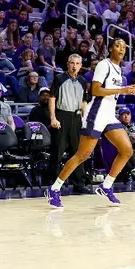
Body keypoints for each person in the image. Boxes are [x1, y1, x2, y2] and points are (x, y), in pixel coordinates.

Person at [47, 40, 135, 208]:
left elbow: (112, 94)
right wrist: (124, 89)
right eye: (117, 46)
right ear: (110, 49)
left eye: (123, 47)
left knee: (127, 150)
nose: (121, 49)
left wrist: (131, 89)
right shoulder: (103, 65)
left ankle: (106, 186)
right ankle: (54, 189)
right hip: (96, 114)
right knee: (82, 155)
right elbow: (96, 90)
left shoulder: (119, 69)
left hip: (109, 115)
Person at [48, 54, 88, 185]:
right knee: (58, 151)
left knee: (77, 152)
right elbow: (52, 98)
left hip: (76, 118)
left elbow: (84, 101)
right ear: (68, 64)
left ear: (81, 66)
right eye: (72, 63)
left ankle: (79, 183)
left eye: (77, 63)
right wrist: (53, 118)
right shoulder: (59, 78)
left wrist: (85, 118)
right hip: (62, 116)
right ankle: (54, 184)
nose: (74, 66)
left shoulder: (82, 81)